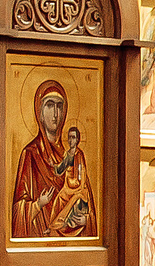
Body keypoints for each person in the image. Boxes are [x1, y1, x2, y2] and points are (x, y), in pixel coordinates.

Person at [12, 79, 96, 238]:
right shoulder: (30, 154)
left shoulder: (75, 156)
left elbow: (86, 198)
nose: (55, 113)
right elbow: (17, 214)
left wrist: (86, 220)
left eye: (59, 106)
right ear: (40, 112)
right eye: (49, 105)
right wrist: (38, 204)